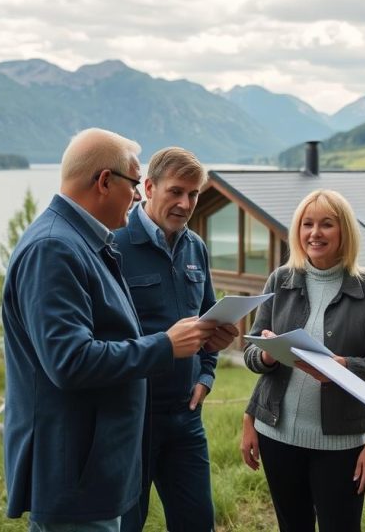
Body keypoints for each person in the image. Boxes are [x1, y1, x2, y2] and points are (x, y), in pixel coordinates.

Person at [2, 128, 220, 532]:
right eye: (135, 185)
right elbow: (69, 361)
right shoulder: (54, 247)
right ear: (105, 181)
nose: (137, 196)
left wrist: (203, 362)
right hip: (76, 469)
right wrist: (165, 346)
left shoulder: (83, 242)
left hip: (99, 459)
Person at [239, 189, 365, 532]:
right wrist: (265, 355)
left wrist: (344, 369)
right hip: (276, 436)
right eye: (307, 224)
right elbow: (251, 353)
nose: (315, 233)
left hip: (341, 445)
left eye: (327, 224)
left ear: (344, 232)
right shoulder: (280, 280)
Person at [114, 146, 239, 531]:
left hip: (186, 417)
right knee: (126, 525)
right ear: (149, 187)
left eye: (194, 194)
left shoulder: (195, 247)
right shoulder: (114, 243)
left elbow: (207, 317)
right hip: (133, 419)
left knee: (198, 523)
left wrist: (206, 374)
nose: (186, 203)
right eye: (176, 192)